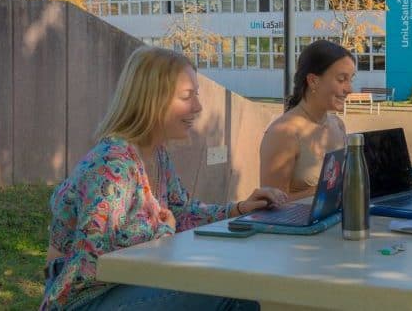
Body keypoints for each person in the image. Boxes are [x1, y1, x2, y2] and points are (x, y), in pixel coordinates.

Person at [42, 46, 287, 310]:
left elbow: (181, 211)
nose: (198, 106)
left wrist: (239, 209)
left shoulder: (156, 154)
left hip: (125, 286)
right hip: (85, 298)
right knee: (227, 291)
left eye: (197, 95)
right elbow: (94, 260)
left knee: (236, 285)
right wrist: (163, 230)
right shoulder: (113, 166)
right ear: (152, 99)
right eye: (187, 96)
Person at [260, 40, 354, 201]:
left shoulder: (338, 125)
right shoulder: (283, 133)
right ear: (313, 81)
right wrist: (329, 188)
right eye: (341, 79)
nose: (349, 89)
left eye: (351, 79)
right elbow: (271, 204)